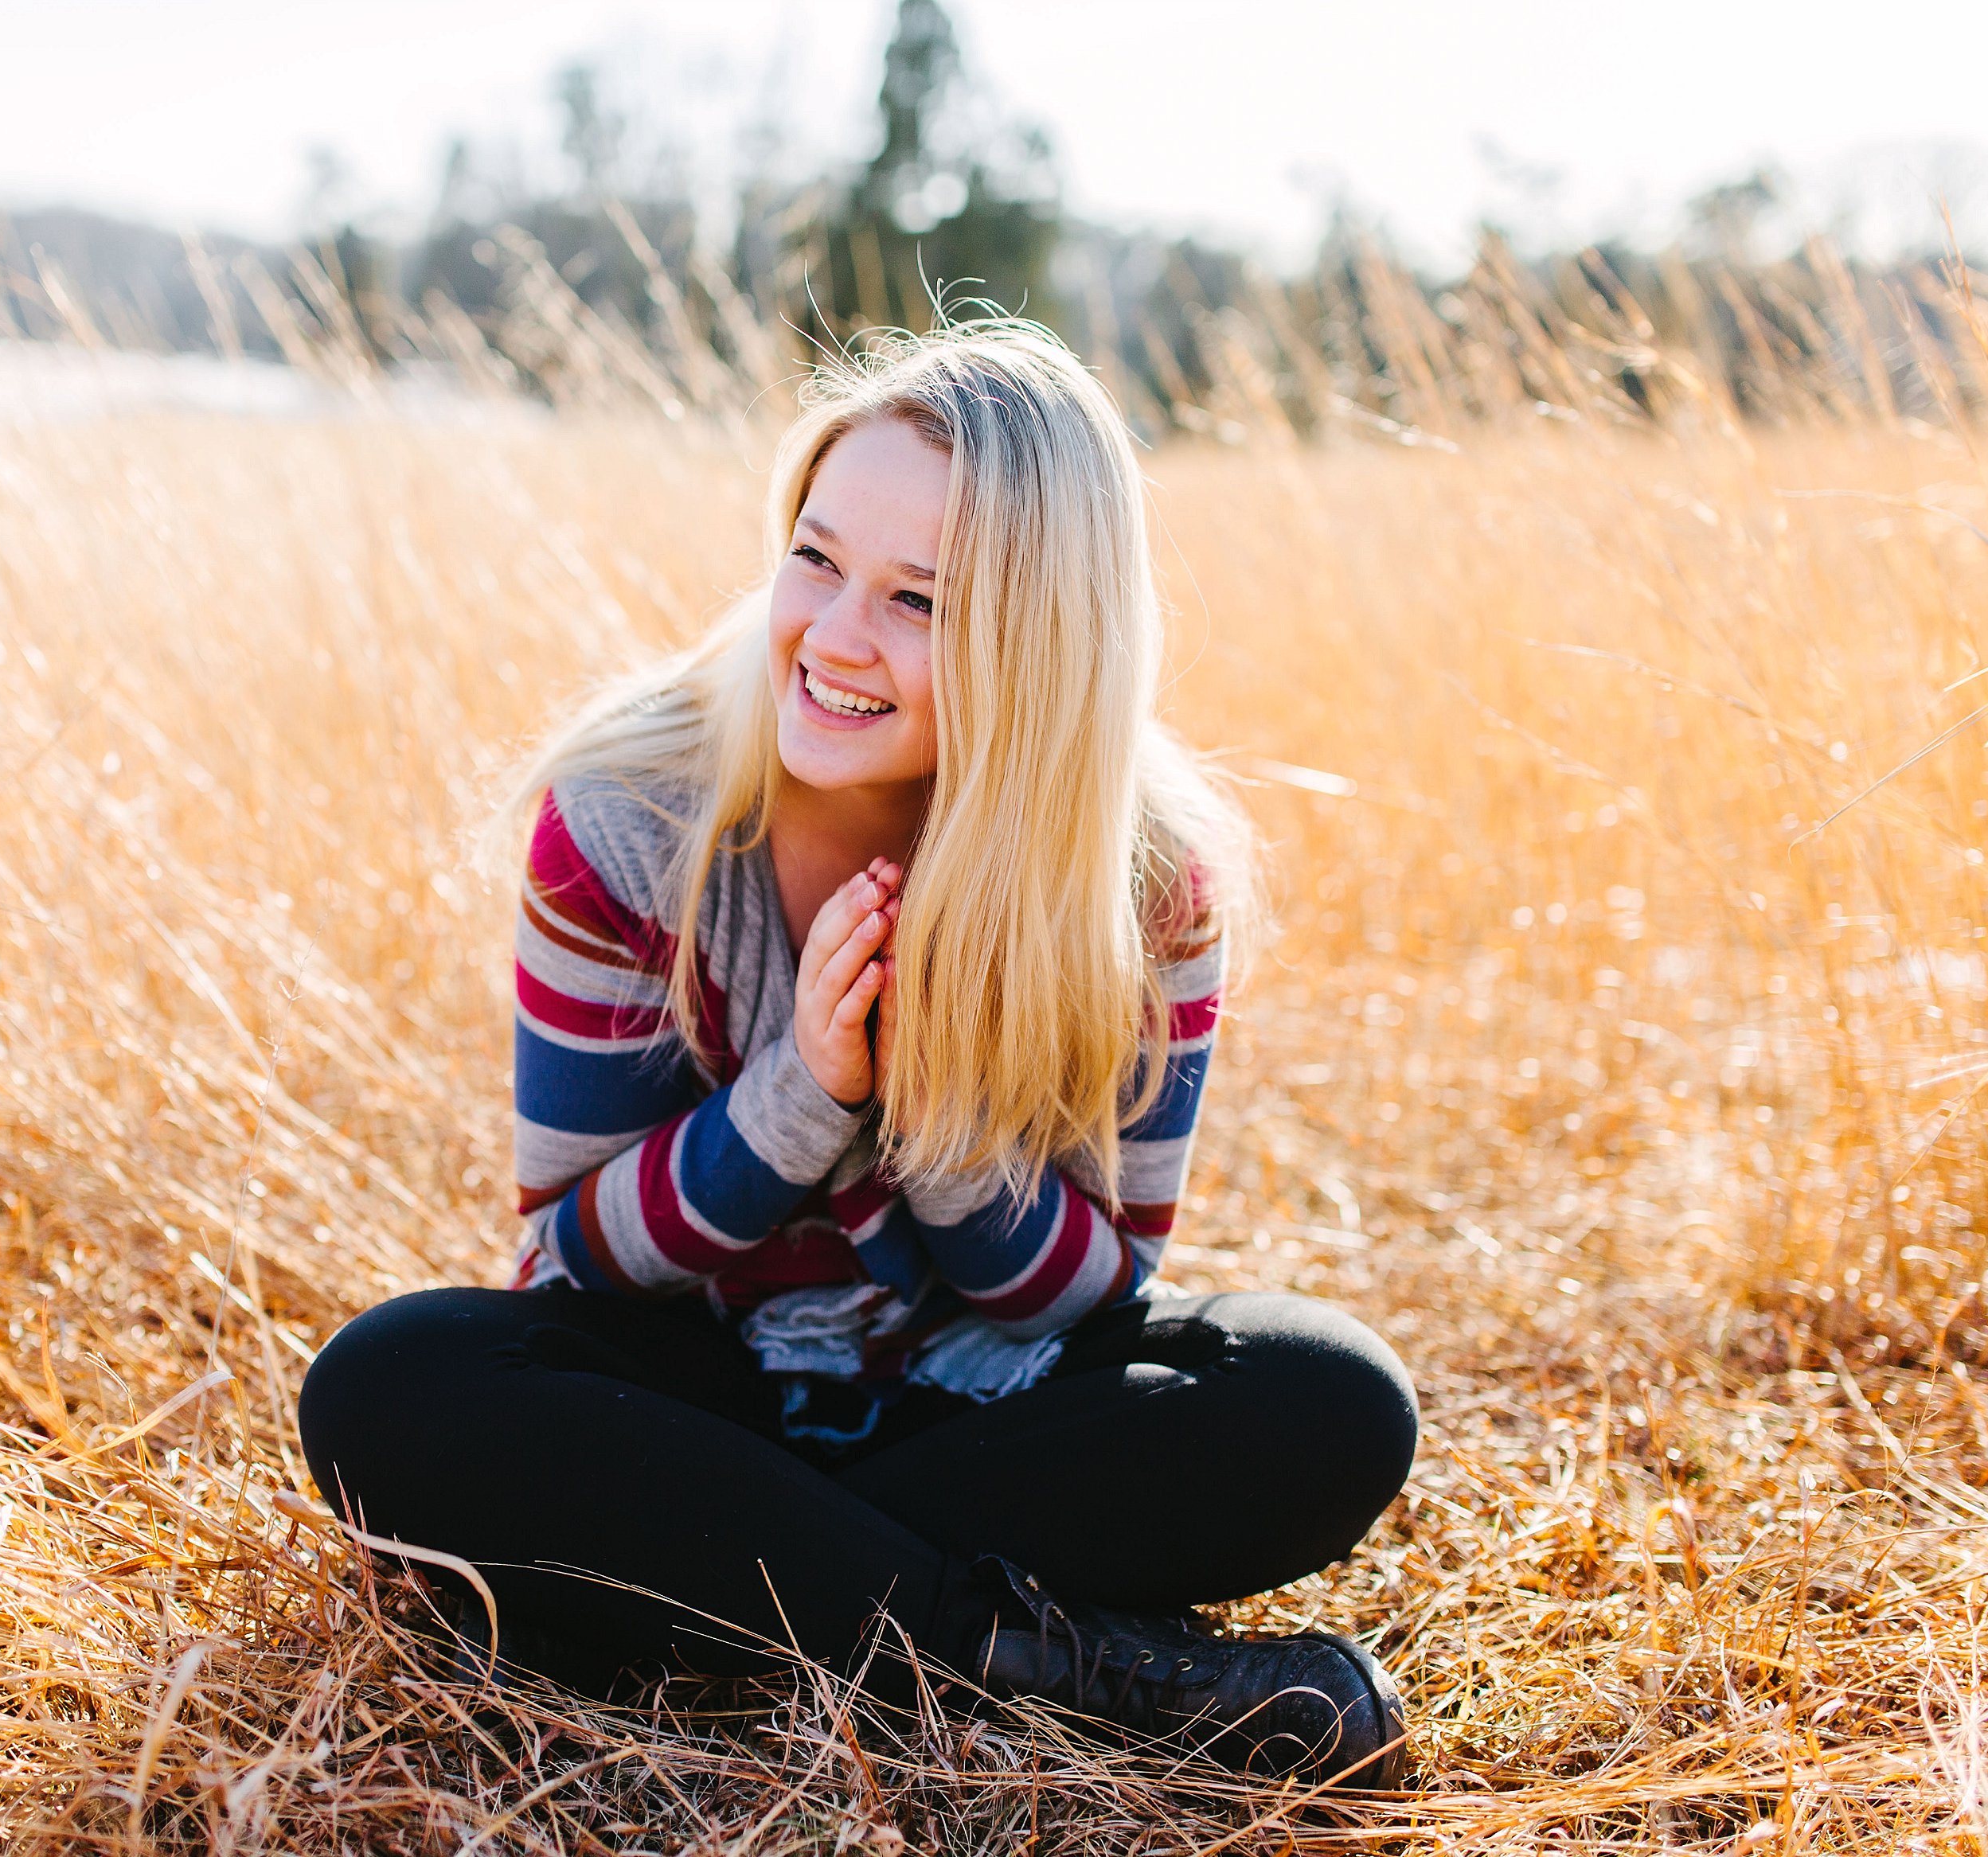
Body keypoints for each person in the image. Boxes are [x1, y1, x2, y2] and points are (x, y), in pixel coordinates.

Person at [299, 323, 1419, 1787]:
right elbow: (570, 1260)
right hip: (696, 1403)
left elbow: (1098, 1285)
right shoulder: (630, 814)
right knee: (395, 1384)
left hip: (983, 1418)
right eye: (815, 559)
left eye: (919, 600)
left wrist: (942, 1117)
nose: (834, 636)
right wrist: (801, 1098)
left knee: (1329, 1396)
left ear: (1038, 643)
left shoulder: (1144, 875)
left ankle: (754, 1601)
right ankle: (1029, 1654)